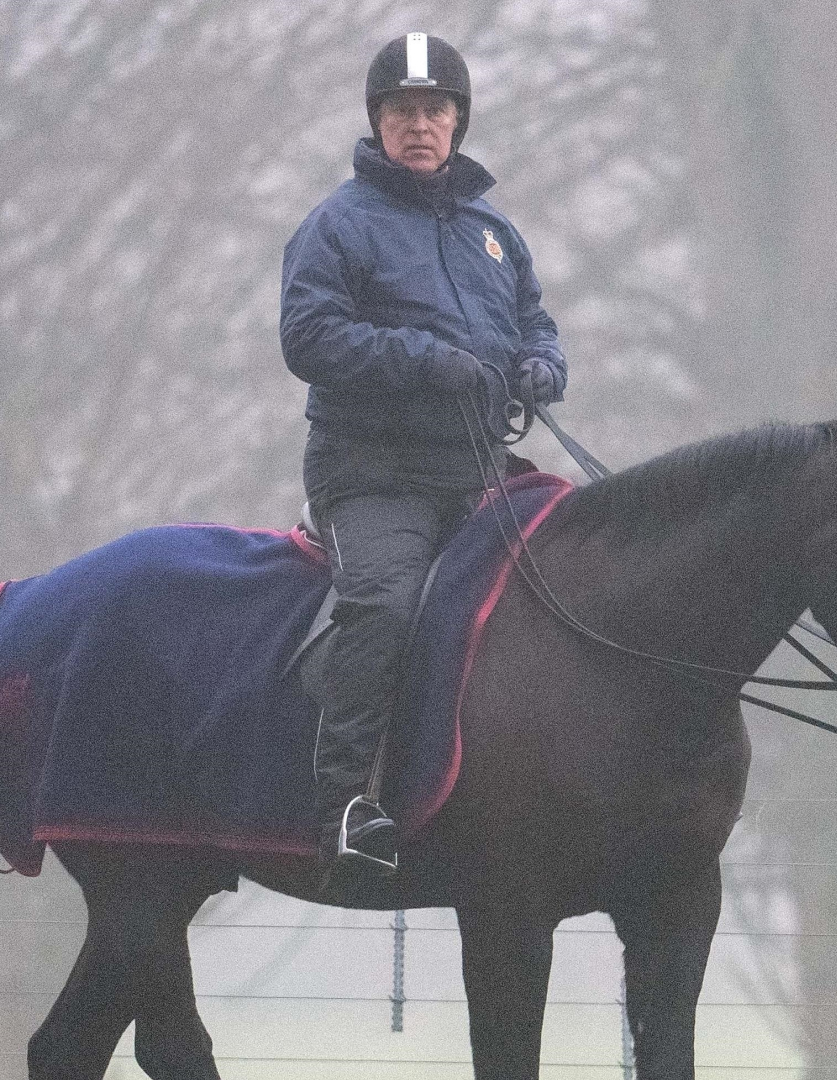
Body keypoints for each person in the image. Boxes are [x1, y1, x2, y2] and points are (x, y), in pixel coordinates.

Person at [279, 32, 567, 878]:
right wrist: (425, 360)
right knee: (388, 606)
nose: (419, 124)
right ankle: (341, 807)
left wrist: (542, 364)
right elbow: (308, 336)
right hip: (374, 478)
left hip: (477, 474)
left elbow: (535, 322)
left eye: (435, 109)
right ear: (378, 122)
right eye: (402, 110)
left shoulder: (493, 234)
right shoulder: (337, 225)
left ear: (458, 123)